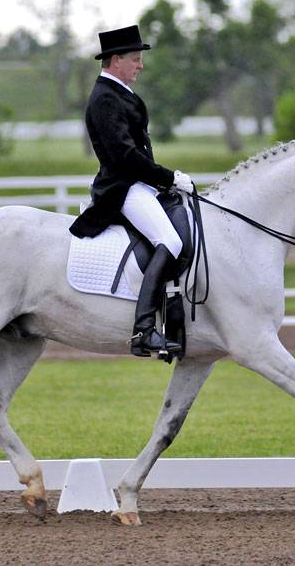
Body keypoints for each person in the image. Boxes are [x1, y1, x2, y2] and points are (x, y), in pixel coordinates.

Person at [69, 25, 193, 358]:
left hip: (138, 184)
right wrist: (168, 178)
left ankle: (173, 321)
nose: (140, 65)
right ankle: (144, 331)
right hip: (122, 188)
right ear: (115, 60)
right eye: (135, 59)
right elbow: (125, 157)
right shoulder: (105, 98)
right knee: (170, 240)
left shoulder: (119, 92)